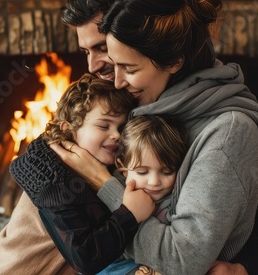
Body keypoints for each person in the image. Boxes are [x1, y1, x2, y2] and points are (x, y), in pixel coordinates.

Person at [0, 0, 258, 273]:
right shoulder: (121, 105)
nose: (94, 67)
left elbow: (242, 201)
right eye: (86, 52)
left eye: (102, 48)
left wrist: (248, 263)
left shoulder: (151, 105)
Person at [10, 73, 154, 274]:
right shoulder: (54, 183)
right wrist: (128, 215)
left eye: (121, 127)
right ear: (68, 130)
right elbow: (85, 256)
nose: (116, 135)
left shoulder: (112, 163)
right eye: (104, 125)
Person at [100, 115, 188, 275]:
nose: (154, 181)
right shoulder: (111, 194)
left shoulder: (180, 199)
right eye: (142, 172)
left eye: (167, 171)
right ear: (124, 167)